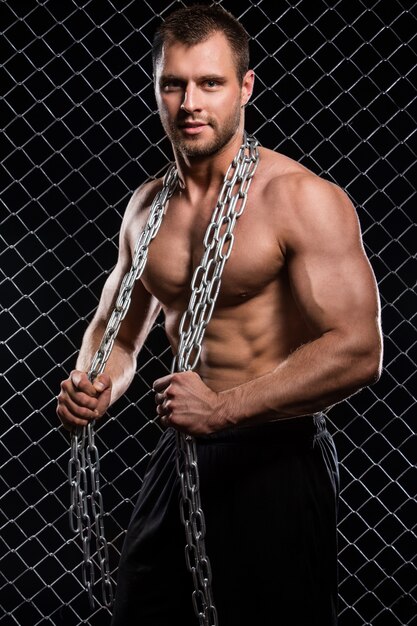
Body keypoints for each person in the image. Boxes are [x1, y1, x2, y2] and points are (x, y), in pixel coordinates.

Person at [57, 4, 383, 625]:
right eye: (173, 83)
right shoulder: (147, 207)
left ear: (245, 87)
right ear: (157, 89)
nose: (189, 103)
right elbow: (118, 333)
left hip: (273, 451)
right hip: (180, 449)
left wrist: (224, 408)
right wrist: (93, 382)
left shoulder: (299, 199)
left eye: (210, 83)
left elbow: (359, 349)